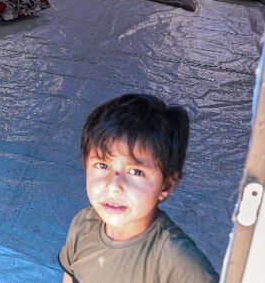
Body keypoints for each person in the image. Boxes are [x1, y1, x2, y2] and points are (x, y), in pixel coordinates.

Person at [59, 94, 218, 282]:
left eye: (136, 172)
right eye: (102, 165)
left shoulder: (180, 265)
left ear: (166, 184)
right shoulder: (82, 225)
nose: (114, 186)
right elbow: (70, 276)